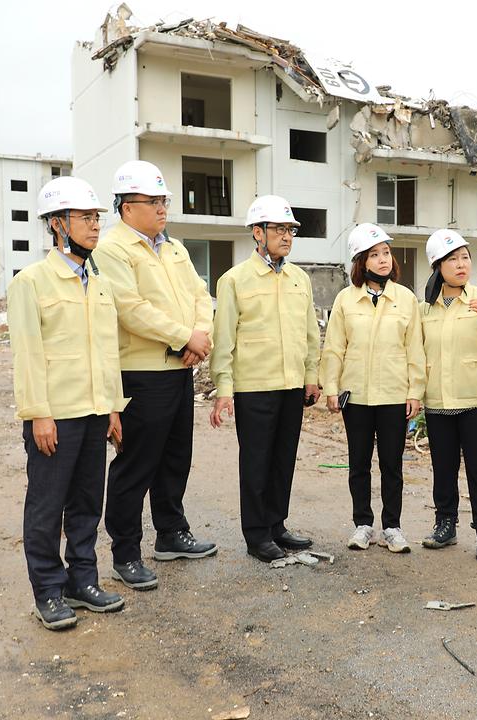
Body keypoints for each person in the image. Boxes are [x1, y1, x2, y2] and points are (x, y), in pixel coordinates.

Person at [92, 160, 217, 592]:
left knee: (175, 457)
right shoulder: (113, 250)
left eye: (164, 200)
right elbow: (130, 309)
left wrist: (200, 336)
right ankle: (125, 553)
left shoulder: (175, 248)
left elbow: (201, 294)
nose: (162, 208)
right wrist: (185, 336)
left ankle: (171, 533)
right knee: (136, 465)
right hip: (143, 373)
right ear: (127, 207)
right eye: (153, 202)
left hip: (180, 369)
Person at [9, 176, 127, 630]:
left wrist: (113, 407)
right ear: (58, 224)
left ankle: (83, 580)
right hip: (55, 416)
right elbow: (28, 354)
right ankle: (49, 591)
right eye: (85, 217)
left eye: (97, 217)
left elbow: (107, 352)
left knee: (84, 504)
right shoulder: (33, 282)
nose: (95, 226)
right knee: (46, 507)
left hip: (95, 412)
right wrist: (39, 412)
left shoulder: (98, 283)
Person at [209, 195, 321, 562]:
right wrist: (224, 387)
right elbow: (224, 338)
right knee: (256, 461)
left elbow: (309, 334)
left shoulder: (299, 278)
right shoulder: (235, 280)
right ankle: (256, 535)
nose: (287, 236)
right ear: (258, 233)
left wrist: (310, 376)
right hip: (254, 386)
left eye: (291, 230)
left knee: (283, 459)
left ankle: (276, 525)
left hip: (290, 385)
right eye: (279, 229)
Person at [319, 223, 425, 553]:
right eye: (374, 254)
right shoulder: (346, 300)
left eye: (386, 253)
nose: (382, 259)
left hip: (394, 395)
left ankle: (392, 526)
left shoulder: (405, 298)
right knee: (359, 463)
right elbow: (335, 347)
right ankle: (363, 525)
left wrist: (415, 392)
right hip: (357, 396)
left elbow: (415, 349)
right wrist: (331, 388)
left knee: (392, 464)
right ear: (361, 261)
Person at [417, 229, 477, 561]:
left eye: (464, 258)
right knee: (443, 467)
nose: (461, 264)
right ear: (437, 266)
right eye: (452, 259)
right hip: (438, 401)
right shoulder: (425, 309)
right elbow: (418, 353)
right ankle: (445, 524)